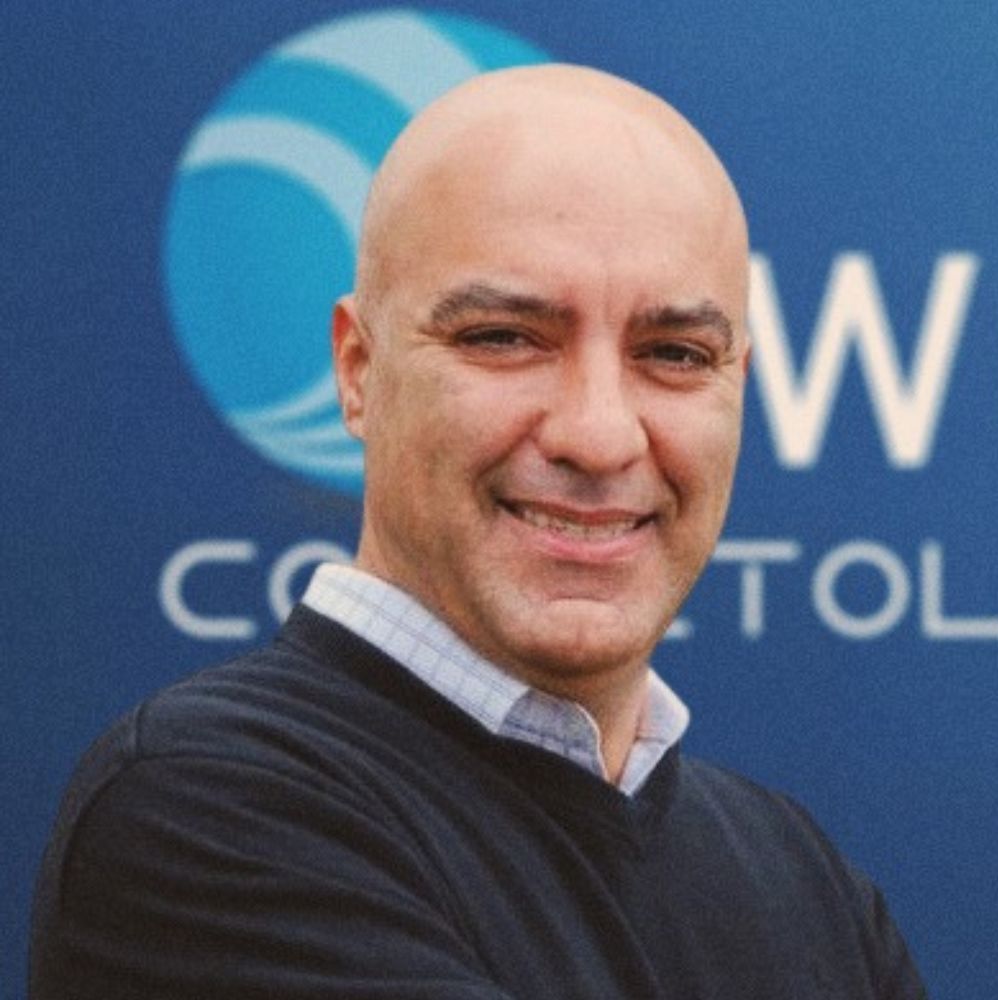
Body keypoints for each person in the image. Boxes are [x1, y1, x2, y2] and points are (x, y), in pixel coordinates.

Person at [30, 65, 926, 999]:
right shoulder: (202, 806)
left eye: (674, 354)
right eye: (505, 337)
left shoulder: (802, 883)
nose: (599, 435)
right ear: (358, 370)